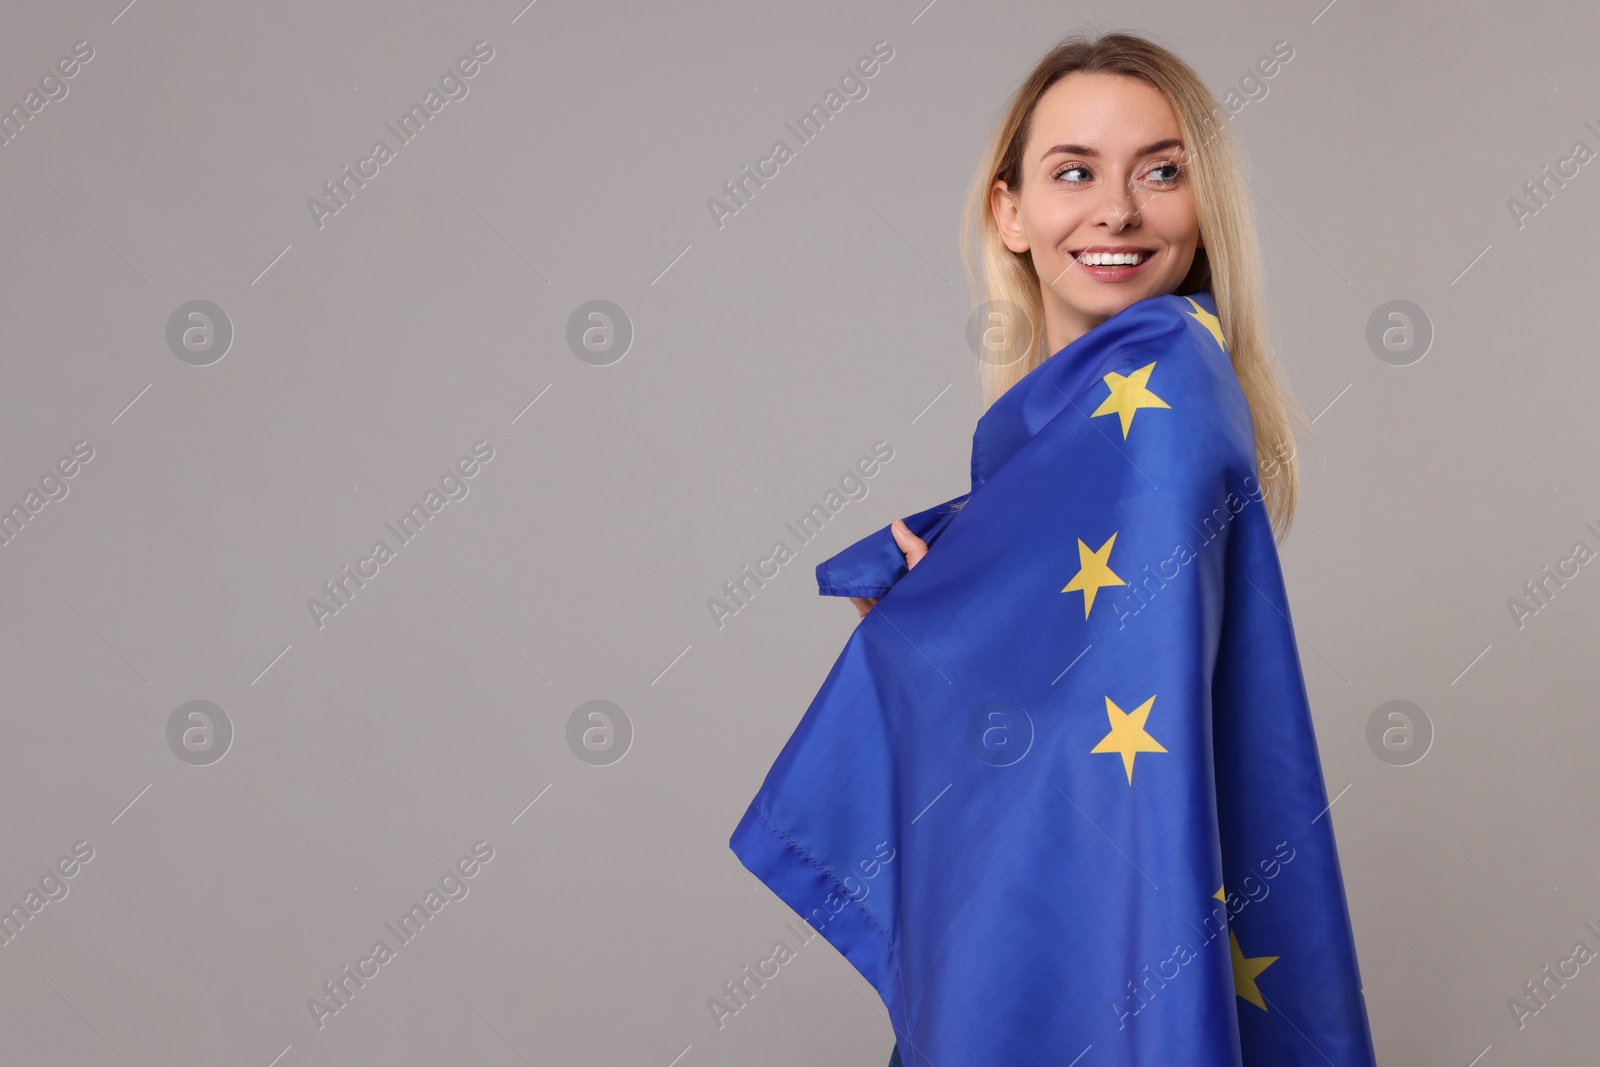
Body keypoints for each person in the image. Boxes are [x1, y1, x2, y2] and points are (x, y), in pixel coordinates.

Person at [731, 29, 1376, 1067]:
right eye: (1074, 171)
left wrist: (938, 633)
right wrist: (938, 624)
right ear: (1010, 211)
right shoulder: (1056, 435)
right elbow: (1055, 723)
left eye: (1161, 172)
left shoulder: (1164, 385)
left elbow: (1114, 749)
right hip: (1049, 925)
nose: (1117, 209)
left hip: (1106, 970)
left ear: (1203, 207)